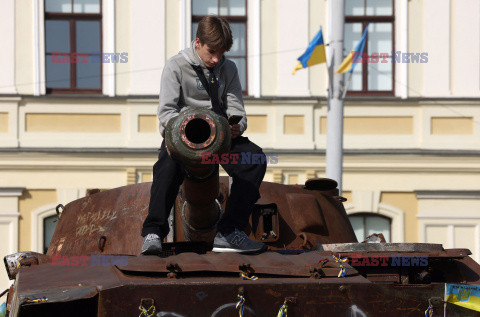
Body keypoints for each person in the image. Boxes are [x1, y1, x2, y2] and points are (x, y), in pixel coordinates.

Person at [141, 16, 267, 255]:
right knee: (166, 170)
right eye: (212, 52)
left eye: (221, 53)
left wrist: (237, 127)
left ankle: (229, 232)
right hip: (184, 139)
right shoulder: (175, 66)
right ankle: (153, 233)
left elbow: (237, 111)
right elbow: (166, 111)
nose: (216, 59)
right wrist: (173, 135)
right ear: (197, 42)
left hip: (221, 139)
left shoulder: (228, 68)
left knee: (255, 160)